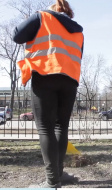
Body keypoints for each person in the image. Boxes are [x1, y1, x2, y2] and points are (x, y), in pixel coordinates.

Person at [12, 0, 84, 188]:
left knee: (46, 128)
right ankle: (59, 175)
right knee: (61, 127)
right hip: (70, 80)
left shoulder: (41, 16)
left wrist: (35, 16)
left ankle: (52, 182)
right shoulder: (78, 31)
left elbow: (17, 36)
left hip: (45, 74)